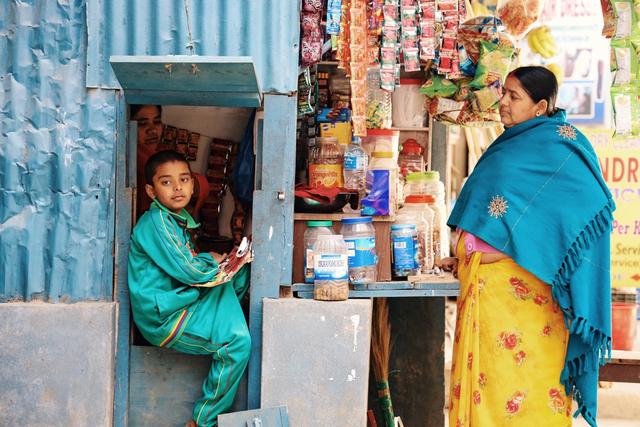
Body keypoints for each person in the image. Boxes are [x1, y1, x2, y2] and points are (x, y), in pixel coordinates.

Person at [443, 66, 614, 427]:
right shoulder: (509, 142)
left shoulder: (561, 146)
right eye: (503, 92)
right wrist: (465, 250)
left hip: (526, 298)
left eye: (513, 96)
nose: (502, 102)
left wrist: (515, 249)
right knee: (486, 383)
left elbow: (591, 204)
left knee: (524, 386)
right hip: (485, 292)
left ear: (540, 107)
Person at [128, 150, 251, 427]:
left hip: (180, 301)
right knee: (238, 345)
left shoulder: (175, 220)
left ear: (193, 185)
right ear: (151, 190)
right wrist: (214, 260)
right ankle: (202, 421)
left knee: (238, 279)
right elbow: (191, 270)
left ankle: (227, 326)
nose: (177, 187)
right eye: (166, 182)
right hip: (165, 316)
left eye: (183, 179)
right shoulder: (156, 223)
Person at [131, 104, 209, 218]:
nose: (152, 130)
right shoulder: (128, 163)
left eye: (157, 121)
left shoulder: (165, 153)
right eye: (142, 124)